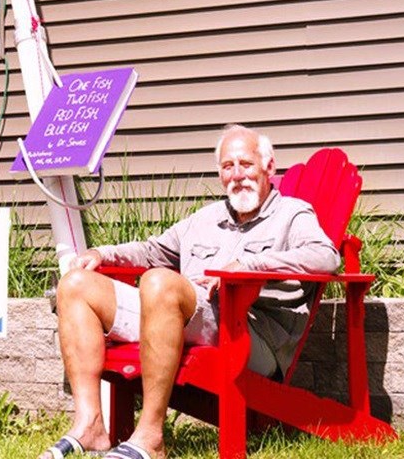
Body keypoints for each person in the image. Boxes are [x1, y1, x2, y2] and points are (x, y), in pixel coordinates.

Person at [41, 124, 339, 459]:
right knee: (75, 285)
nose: (238, 175)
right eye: (228, 166)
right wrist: (103, 254)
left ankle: (150, 437)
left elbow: (325, 257)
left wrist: (249, 265)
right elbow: (153, 250)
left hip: (250, 334)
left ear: (269, 167)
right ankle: (90, 425)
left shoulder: (292, 214)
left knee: (159, 282)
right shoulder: (205, 219)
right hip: (185, 314)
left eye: (246, 164)